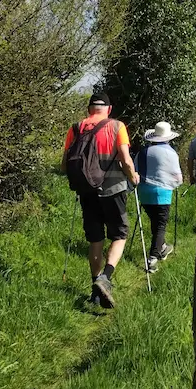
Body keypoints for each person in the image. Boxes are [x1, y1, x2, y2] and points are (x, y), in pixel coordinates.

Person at [61, 92, 140, 309]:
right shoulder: (117, 127)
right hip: (113, 189)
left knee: (95, 239)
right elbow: (125, 159)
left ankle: (95, 293)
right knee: (120, 234)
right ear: (109, 109)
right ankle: (105, 277)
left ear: (89, 109)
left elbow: (63, 164)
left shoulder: (76, 128)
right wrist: (133, 176)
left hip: (86, 191)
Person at [137, 122, 182, 273]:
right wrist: (176, 184)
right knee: (160, 225)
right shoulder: (170, 153)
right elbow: (177, 176)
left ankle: (162, 247)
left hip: (143, 193)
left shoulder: (143, 152)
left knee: (155, 223)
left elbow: (135, 170)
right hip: (163, 193)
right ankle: (152, 259)